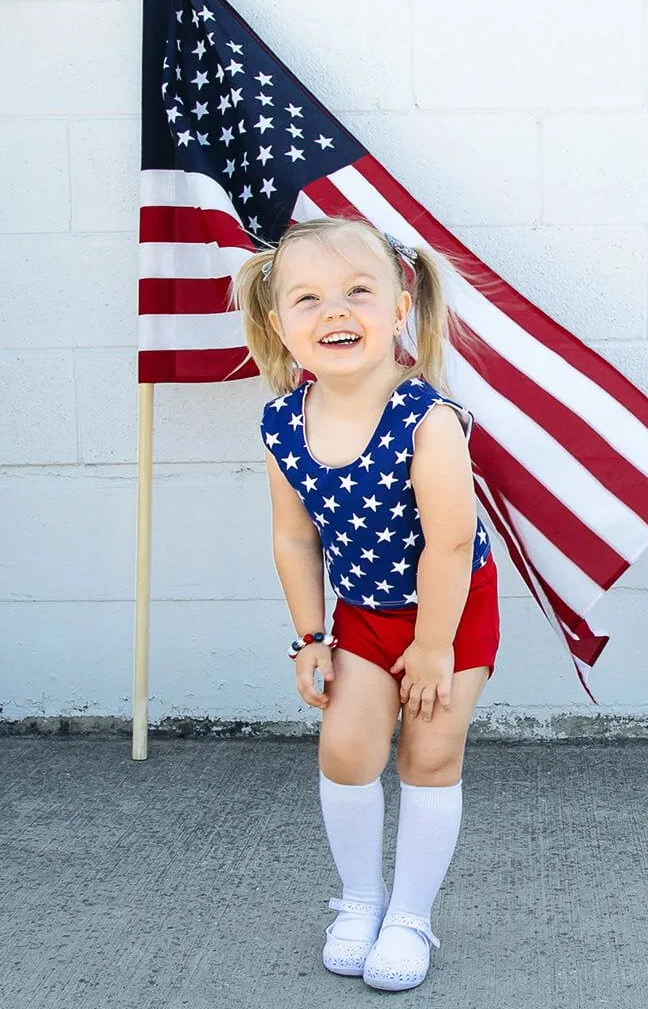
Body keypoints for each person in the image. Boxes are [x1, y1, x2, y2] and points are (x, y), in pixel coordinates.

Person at [230, 217, 500, 992]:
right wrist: (310, 636)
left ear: (399, 302)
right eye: (308, 299)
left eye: (357, 291)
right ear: (280, 323)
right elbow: (293, 539)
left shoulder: (427, 421)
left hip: (448, 611)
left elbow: (450, 544)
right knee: (346, 749)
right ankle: (359, 900)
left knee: (429, 751)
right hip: (365, 614)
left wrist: (435, 646)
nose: (335, 312)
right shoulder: (284, 421)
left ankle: (411, 917)